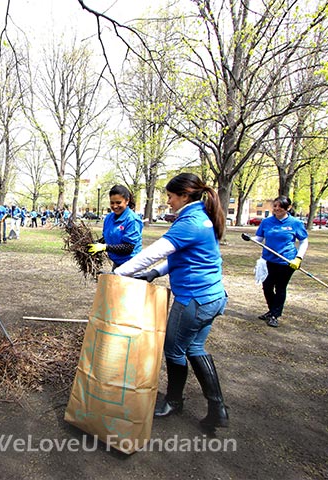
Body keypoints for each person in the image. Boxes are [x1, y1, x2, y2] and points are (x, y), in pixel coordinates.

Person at [114, 173, 229, 432]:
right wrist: (156, 273)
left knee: (174, 350)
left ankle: (174, 401)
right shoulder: (201, 217)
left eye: (170, 196)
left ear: (185, 196)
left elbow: (154, 252)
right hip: (213, 297)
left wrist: (118, 274)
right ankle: (218, 408)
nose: (168, 201)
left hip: (194, 300)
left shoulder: (190, 222)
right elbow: (182, 255)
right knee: (195, 348)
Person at [251, 195, 308, 328]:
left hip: (287, 262)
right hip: (268, 261)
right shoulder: (267, 222)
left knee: (280, 288)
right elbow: (259, 238)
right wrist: (250, 239)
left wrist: (298, 258)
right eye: (275, 206)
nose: (276, 209)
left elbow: (304, 241)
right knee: (267, 287)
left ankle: (275, 315)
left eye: (280, 207)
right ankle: (272, 310)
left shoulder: (295, 223)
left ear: (288, 208)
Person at [88, 185, 144, 270]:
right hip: (117, 263)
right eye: (112, 203)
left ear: (127, 201)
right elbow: (108, 237)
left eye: (118, 202)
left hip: (133, 264)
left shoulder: (132, 220)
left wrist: (104, 247)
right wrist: (95, 244)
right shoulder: (109, 218)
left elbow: (128, 247)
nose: (115, 206)